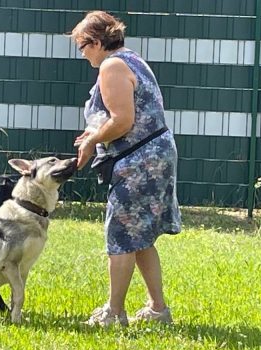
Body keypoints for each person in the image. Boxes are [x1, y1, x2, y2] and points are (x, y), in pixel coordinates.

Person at [71, 11, 182, 327]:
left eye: (83, 47)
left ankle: (114, 312)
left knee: (121, 234)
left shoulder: (112, 66)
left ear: (95, 42)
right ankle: (158, 310)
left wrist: (93, 140)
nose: (83, 54)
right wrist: (95, 135)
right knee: (141, 236)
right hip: (154, 154)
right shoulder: (131, 59)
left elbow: (122, 120)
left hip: (139, 160)